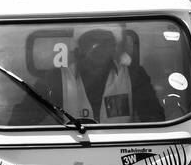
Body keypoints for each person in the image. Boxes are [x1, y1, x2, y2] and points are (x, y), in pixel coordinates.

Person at [28, 27, 163, 124]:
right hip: (71, 154)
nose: (97, 47)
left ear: (113, 48)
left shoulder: (134, 76)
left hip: (121, 155)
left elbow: (155, 121)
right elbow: (23, 120)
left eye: (105, 42)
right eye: (91, 41)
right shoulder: (56, 78)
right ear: (79, 49)